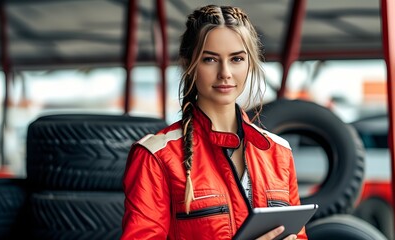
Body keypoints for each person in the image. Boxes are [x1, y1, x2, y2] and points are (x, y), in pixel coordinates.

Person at [122, 4, 307, 240]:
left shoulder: (279, 152)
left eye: (237, 59)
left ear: (249, 63)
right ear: (189, 65)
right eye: (210, 59)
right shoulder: (156, 156)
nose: (225, 73)